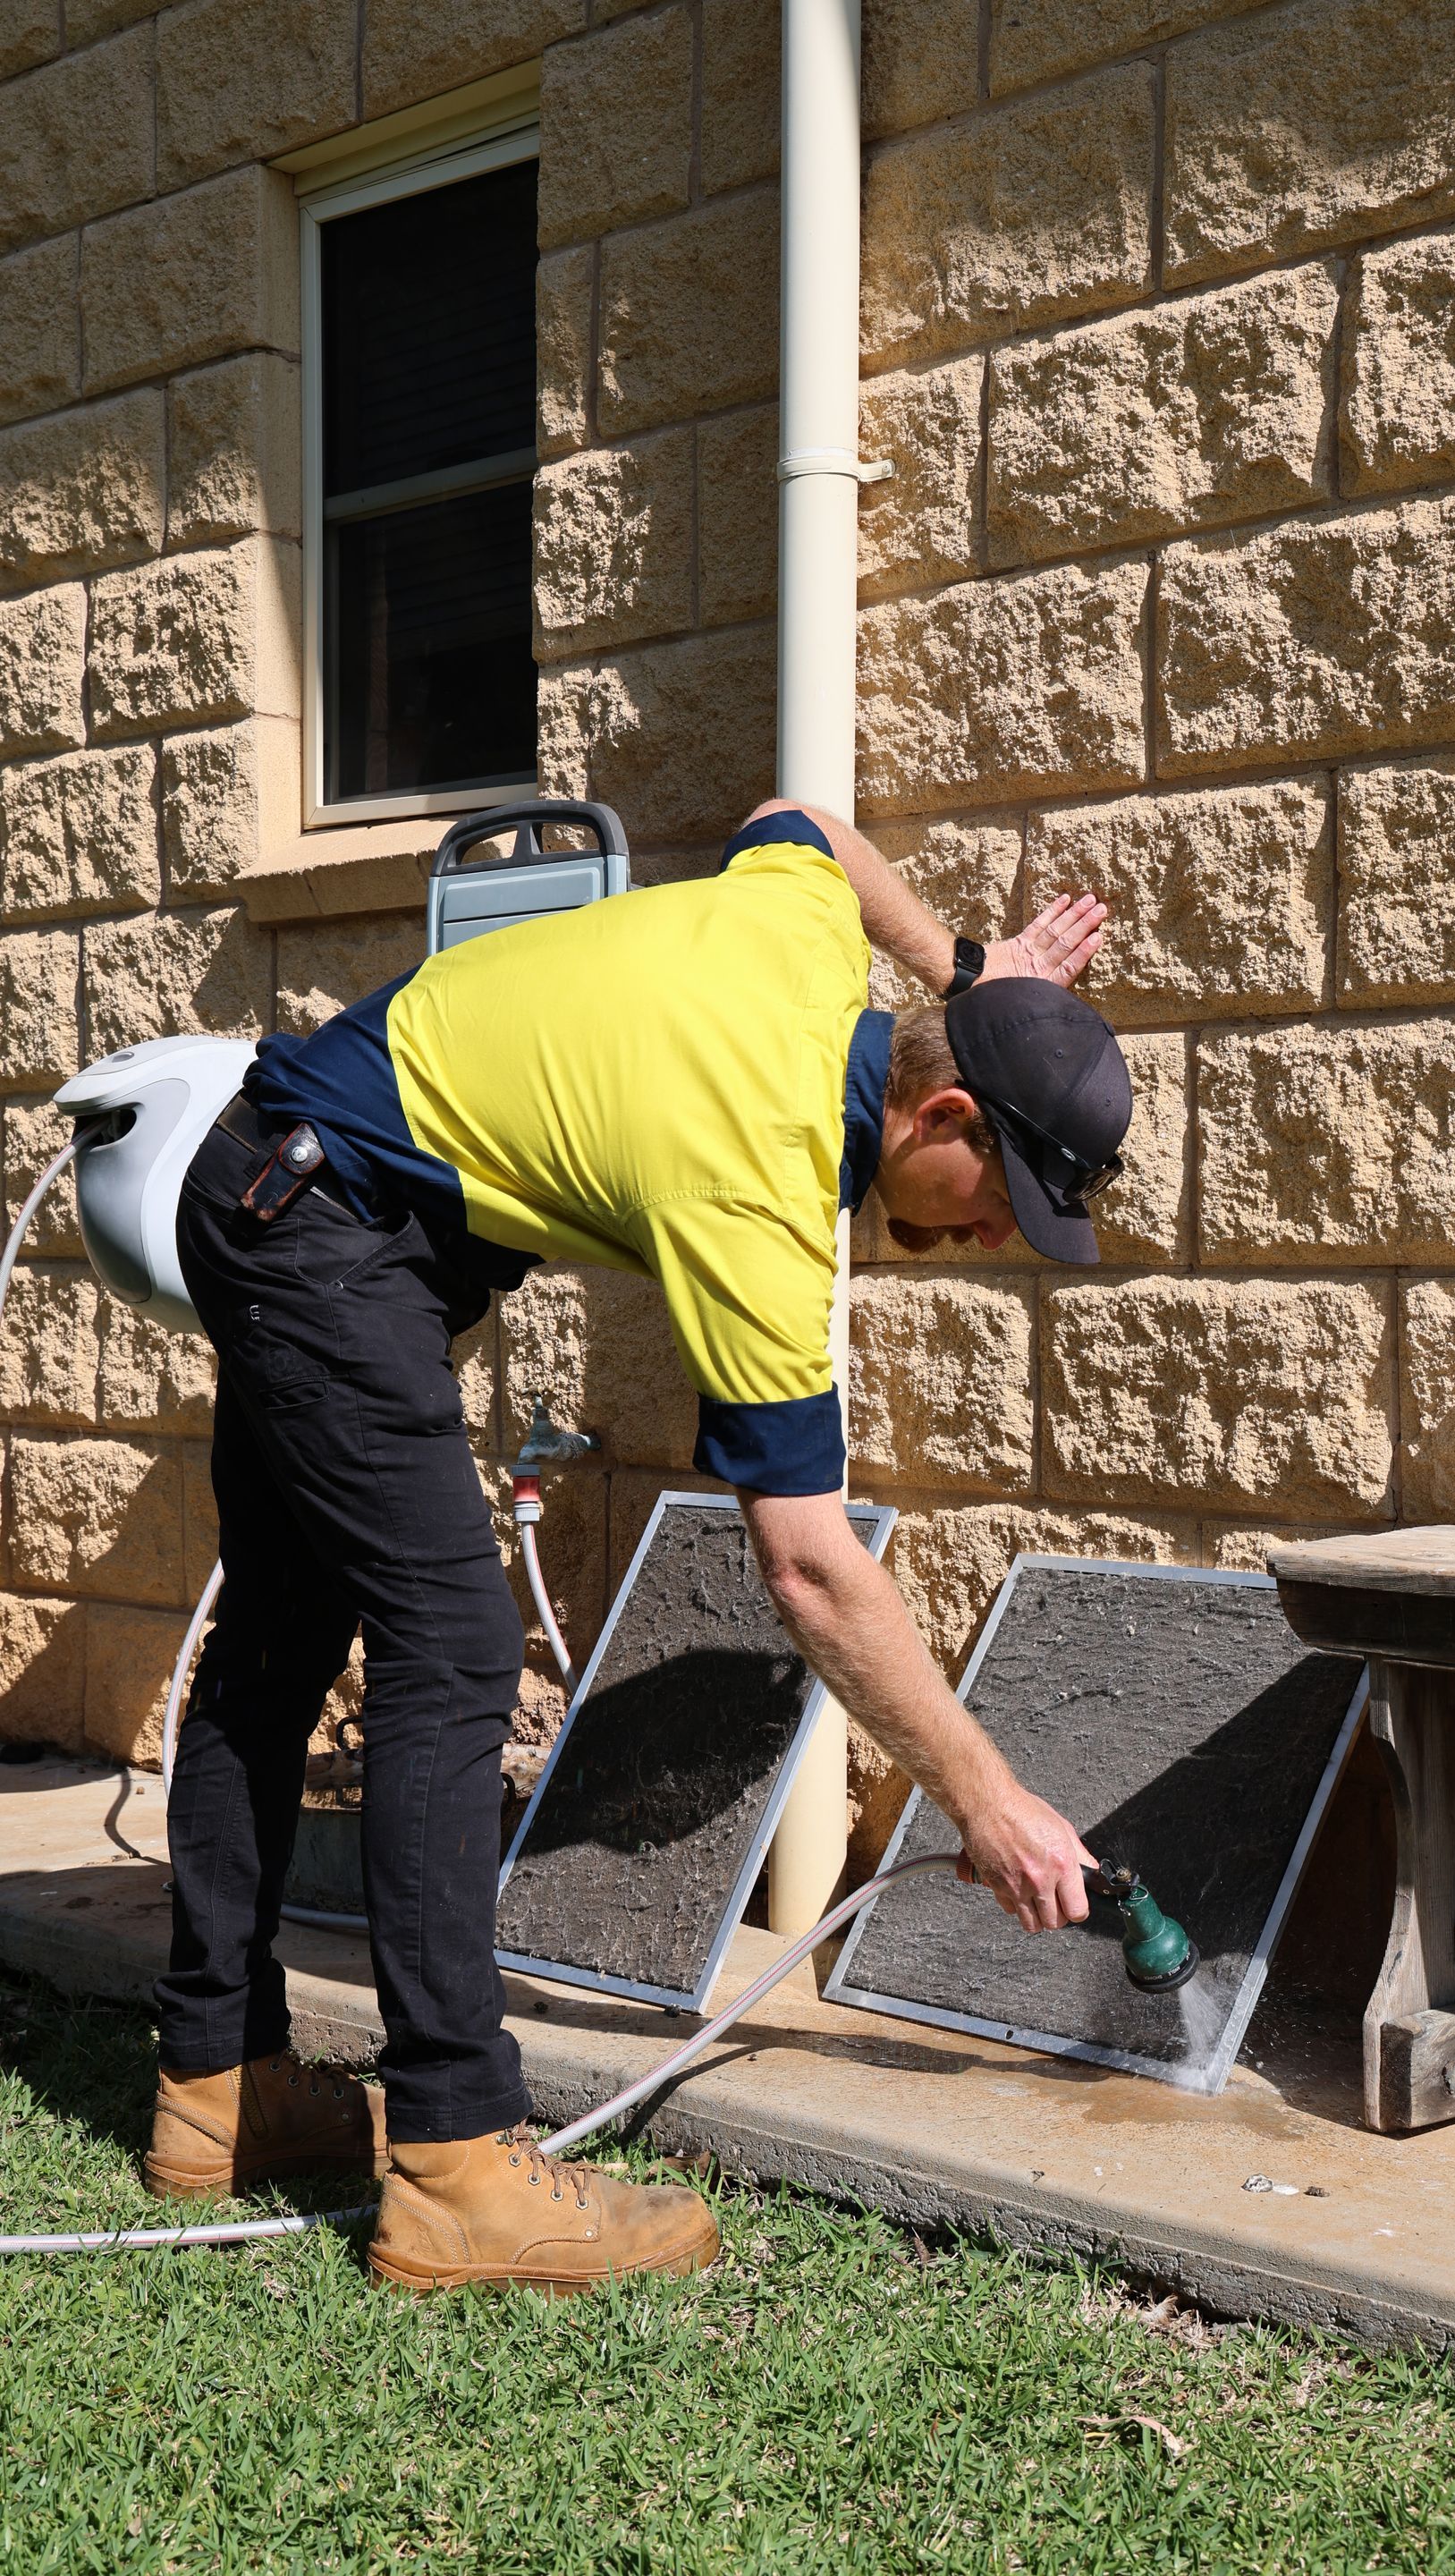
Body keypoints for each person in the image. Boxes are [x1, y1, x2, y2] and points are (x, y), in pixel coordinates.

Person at [148, 800, 1134, 2297]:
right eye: (1004, 1199)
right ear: (941, 1121)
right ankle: (455, 2162)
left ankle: (217, 2092)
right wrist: (985, 1800)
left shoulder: (803, 946)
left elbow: (798, 822)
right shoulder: (760, 1180)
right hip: (322, 1228)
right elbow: (808, 1566)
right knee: (456, 1647)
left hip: (277, 1183)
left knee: (281, 1640)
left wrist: (972, 966)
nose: (997, 1237)